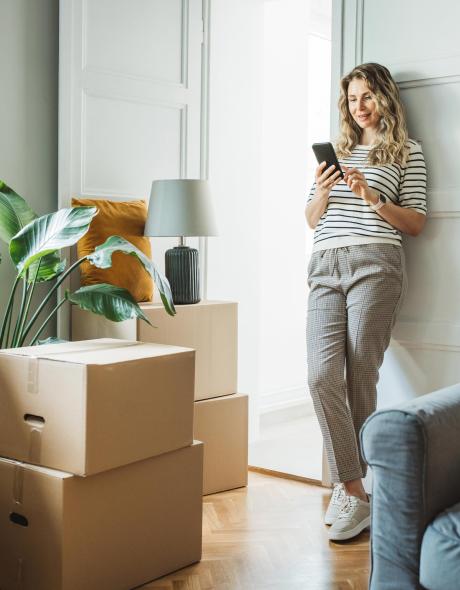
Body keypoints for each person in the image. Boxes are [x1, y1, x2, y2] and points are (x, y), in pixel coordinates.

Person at [305, 62, 427, 542]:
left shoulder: (407, 152)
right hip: (324, 266)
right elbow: (312, 218)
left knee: (360, 374)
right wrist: (324, 191)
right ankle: (354, 489)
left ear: (385, 99)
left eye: (368, 97)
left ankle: (354, 494)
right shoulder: (334, 155)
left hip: (376, 263)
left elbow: (415, 222)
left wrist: (371, 196)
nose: (360, 107)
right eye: (353, 99)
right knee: (320, 374)